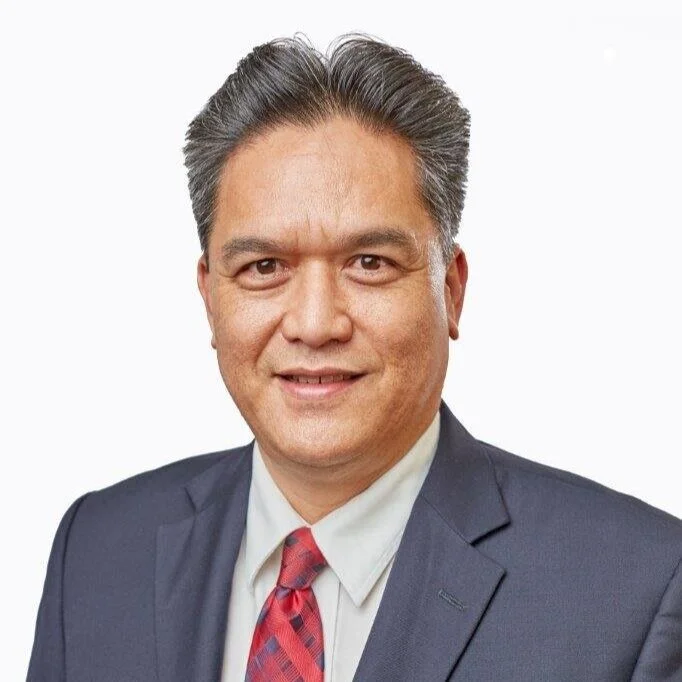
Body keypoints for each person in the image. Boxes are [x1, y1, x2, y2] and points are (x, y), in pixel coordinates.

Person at [27, 34, 681, 682]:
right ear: (210, 297)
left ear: (450, 290)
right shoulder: (96, 552)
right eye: (264, 267)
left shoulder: (635, 590)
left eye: (369, 263)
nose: (315, 324)